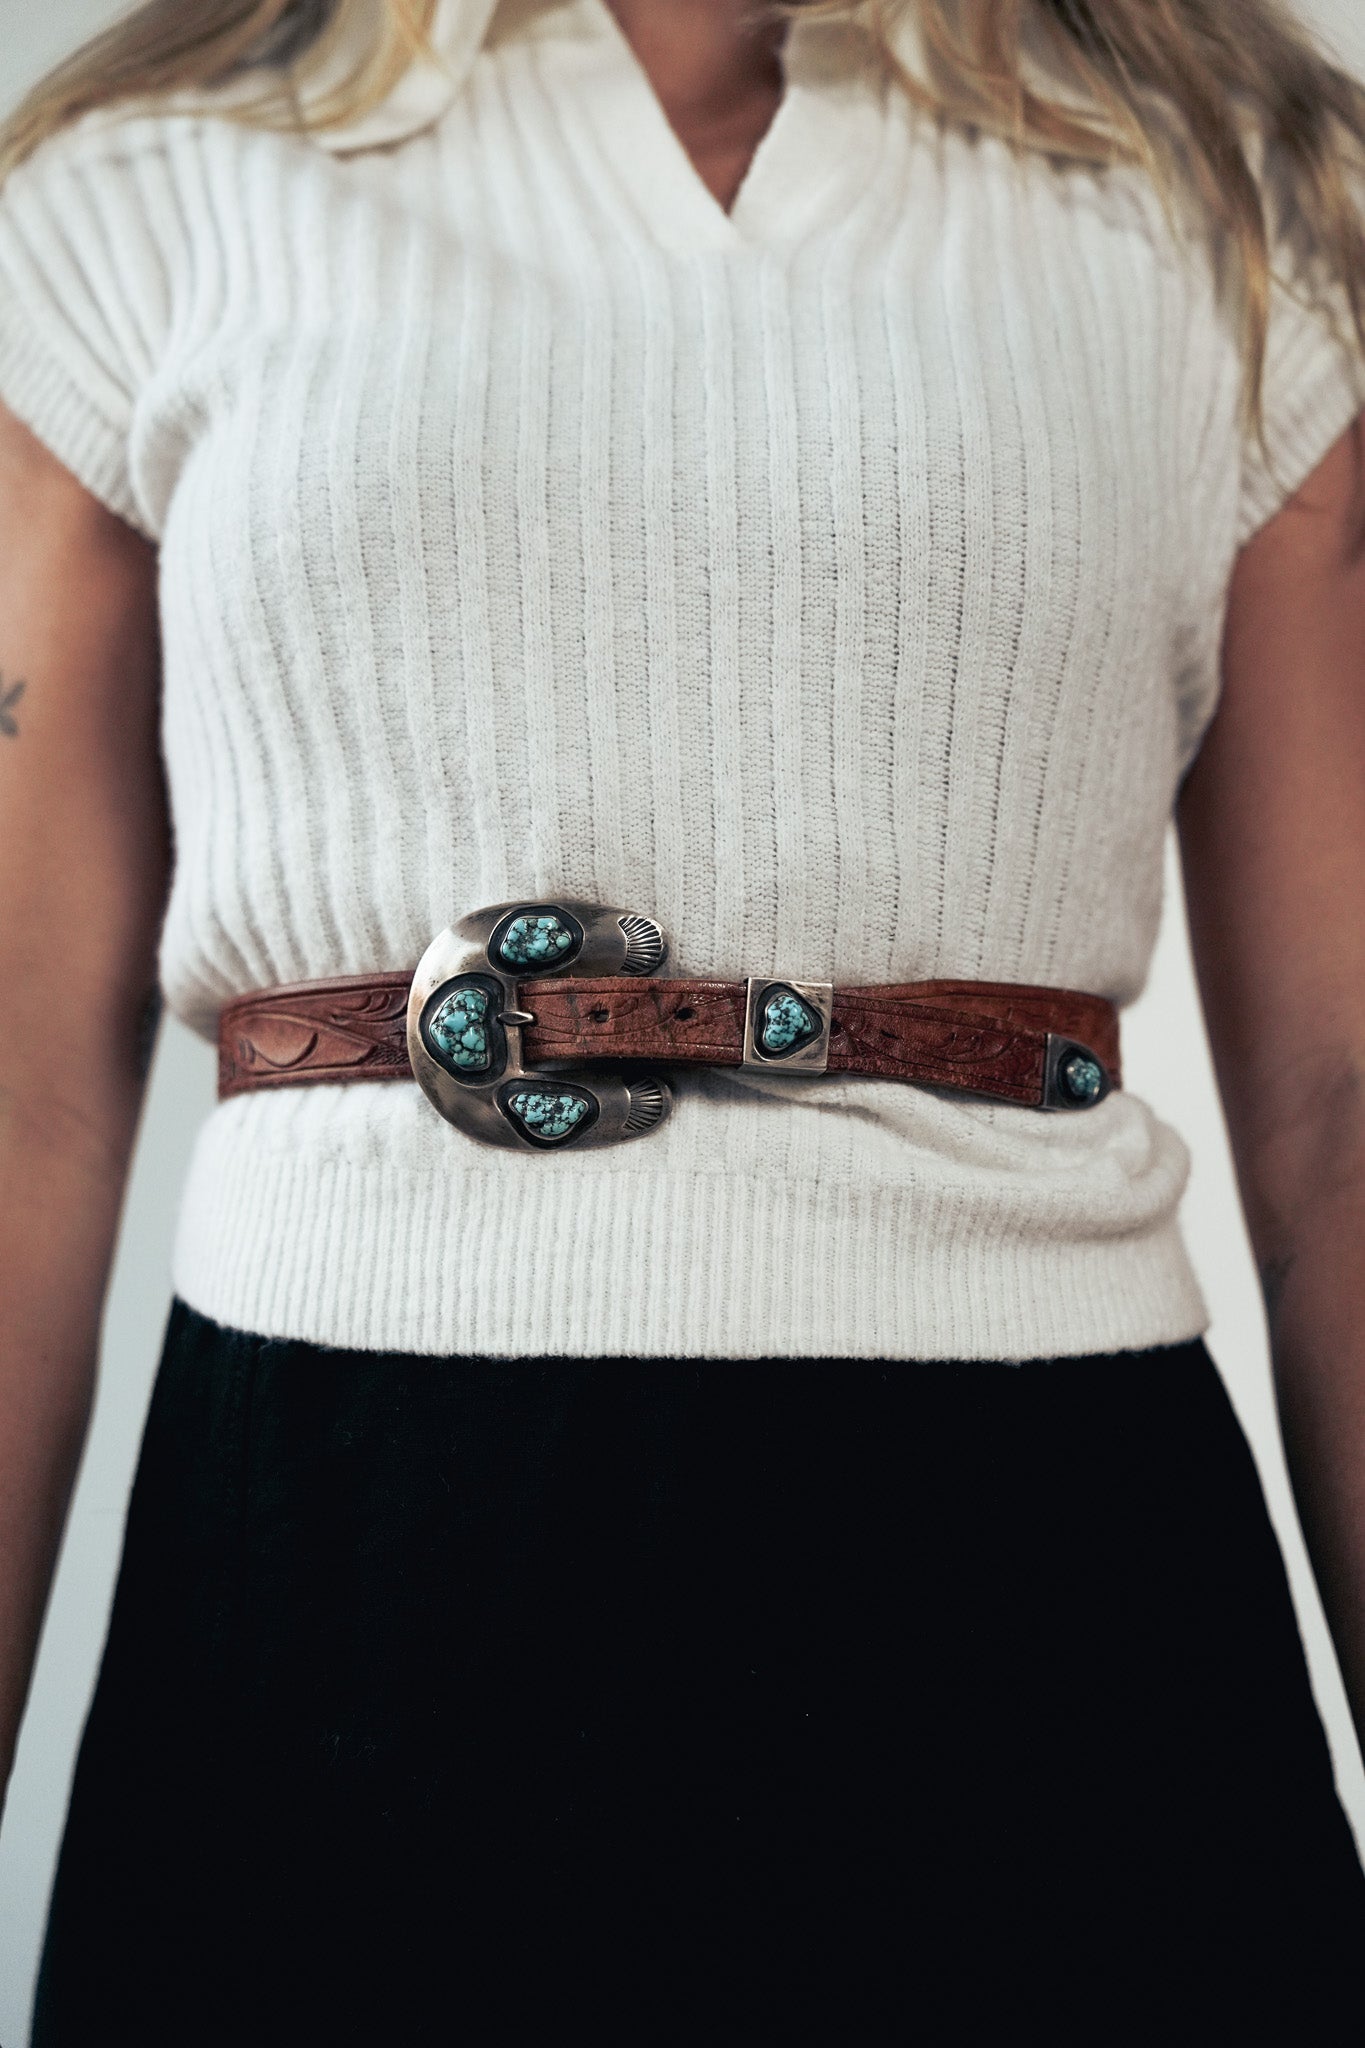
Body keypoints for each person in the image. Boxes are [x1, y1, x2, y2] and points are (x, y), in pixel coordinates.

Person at [2, 0, 1364, 2038]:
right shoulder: (134, 184)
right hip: (333, 1554)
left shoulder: (1237, 191)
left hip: (1042, 1573)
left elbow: (1338, 1119)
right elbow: (21, 1096)